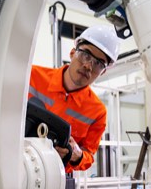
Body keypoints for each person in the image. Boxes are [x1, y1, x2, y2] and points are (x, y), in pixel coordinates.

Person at [28, 24, 120, 173]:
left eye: (98, 64)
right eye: (86, 55)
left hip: (56, 178)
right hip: (18, 163)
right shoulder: (32, 76)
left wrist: (76, 155)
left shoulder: (97, 112)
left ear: (102, 73)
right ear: (72, 53)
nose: (88, 66)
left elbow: (88, 154)